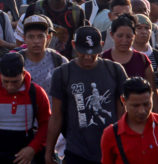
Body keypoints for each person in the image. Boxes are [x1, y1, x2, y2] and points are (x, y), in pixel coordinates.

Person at [45, 26, 128, 164]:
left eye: (93, 52)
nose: (88, 57)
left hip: (110, 150)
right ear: (73, 45)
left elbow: (123, 114)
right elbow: (56, 116)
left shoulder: (115, 70)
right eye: (83, 52)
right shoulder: (63, 73)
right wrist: (49, 151)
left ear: (101, 46)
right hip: (76, 151)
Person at [16, 0, 85, 59]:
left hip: (66, 65)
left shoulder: (76, 12)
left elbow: (80, 43)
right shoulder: (34, 9)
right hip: (37, 62)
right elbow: (25, 39)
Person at [100, 76, 158, 164]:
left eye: (146, 104)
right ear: (123, 101)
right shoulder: (111, 134)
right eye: (135, 106)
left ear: (152, 97)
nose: (142, 111)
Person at [102, 14, 156, 93]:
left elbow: (152, 92)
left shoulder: (142, 59)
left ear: (134, 36)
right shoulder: (103, 59)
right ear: (112, 35)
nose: (124, 40)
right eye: (120, 36)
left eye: (129, 36)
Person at [19, 14, 67, 95]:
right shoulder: (16, 61)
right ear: (24, 38)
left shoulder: (60, 61)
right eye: (31, 37)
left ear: (47, 38)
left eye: (40, 36)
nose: (36, 41)